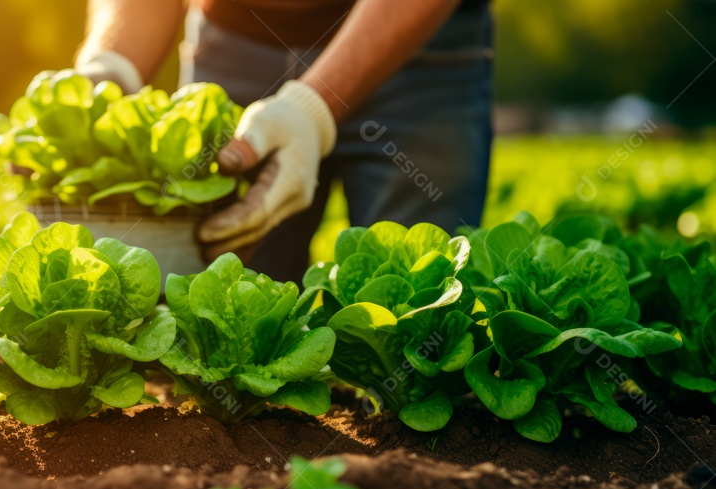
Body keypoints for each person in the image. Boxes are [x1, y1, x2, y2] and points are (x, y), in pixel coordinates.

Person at [74, 0, 493, 282]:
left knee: (416, 313)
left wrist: (311, 109)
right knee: (230, 320)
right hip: (235, 43)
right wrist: (109, 68)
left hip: (415, 44)